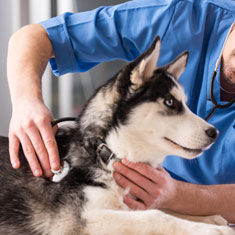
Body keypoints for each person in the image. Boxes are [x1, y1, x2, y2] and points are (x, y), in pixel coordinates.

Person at [7, 0, 235, 223]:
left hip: (199, 210)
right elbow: (34, 37)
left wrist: (175, 195)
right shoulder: (177, 18)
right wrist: (27, 101)